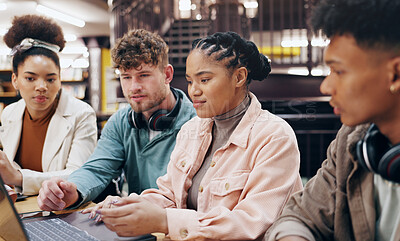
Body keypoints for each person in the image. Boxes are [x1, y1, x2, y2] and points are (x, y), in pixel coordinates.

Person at [81, 31, 303, 240]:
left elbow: (250, 223)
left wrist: (166, 221)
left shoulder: (274, 137)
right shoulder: (192, 129)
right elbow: (169, 195)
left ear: (239, 78)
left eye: (204, 80)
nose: (193, 91)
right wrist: (127, 206)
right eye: (190, 81)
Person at [266, 0, 400, 240]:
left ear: (396, 74)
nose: (326, 86)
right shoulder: (352, 140)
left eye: (338, 71)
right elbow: (299, 216)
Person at [37, 29, 197, 209]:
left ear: (167, 75)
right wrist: (72, 190)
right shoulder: (120, 122)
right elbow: (97, 169)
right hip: (138, 226)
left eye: (143, 75)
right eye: (126, 77)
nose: (134, 86)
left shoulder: (197, 123)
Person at [0, 15, 97, 195]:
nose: (42, 87)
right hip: (22, 208)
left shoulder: (82, 114)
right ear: (15, 80)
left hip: (61, 211)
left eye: (51, 79)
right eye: (30, 78)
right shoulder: (9, 114)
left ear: (60, 79)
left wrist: (19, 177)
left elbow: (79, 176)